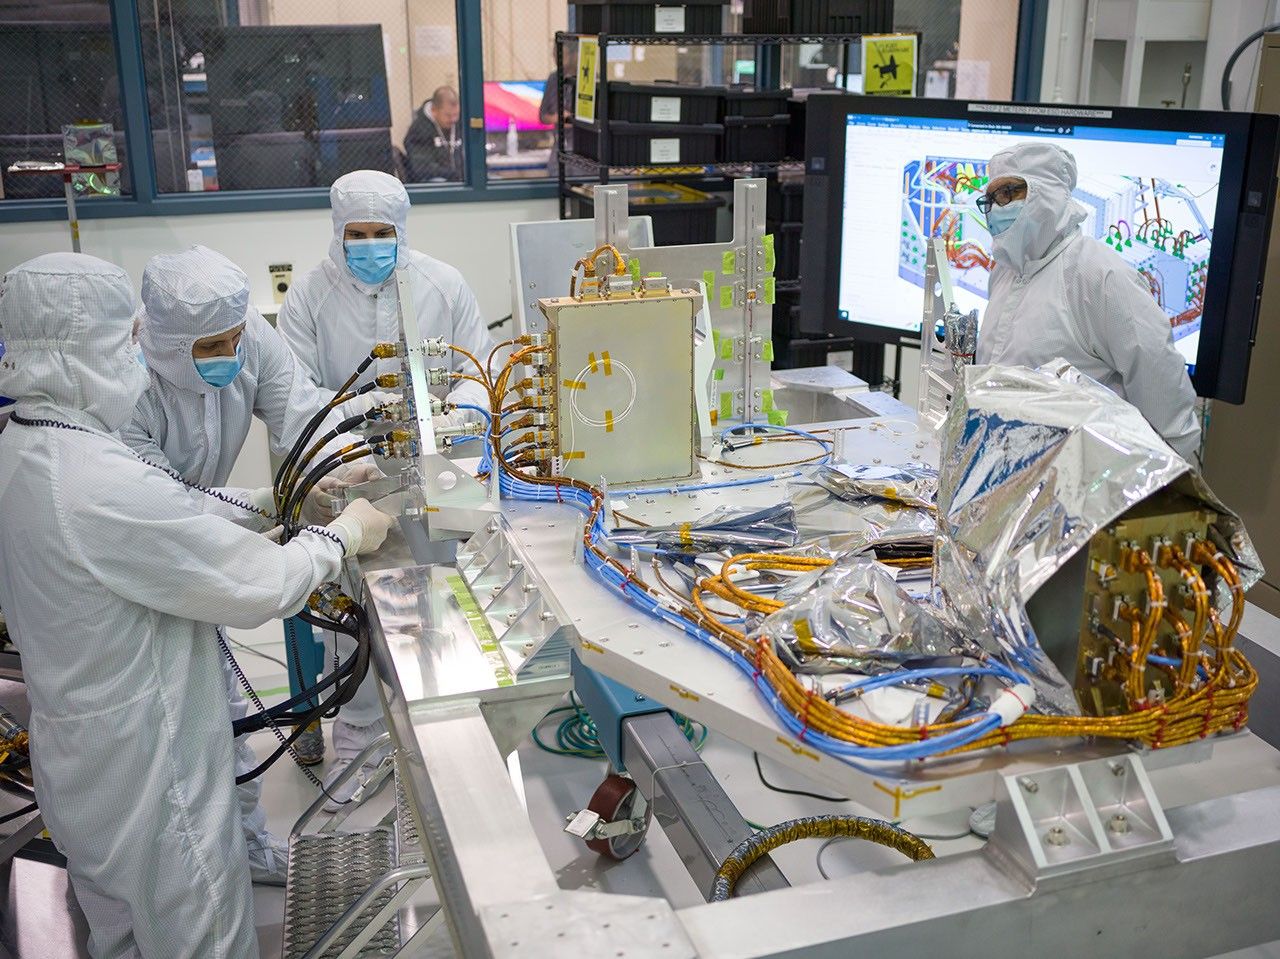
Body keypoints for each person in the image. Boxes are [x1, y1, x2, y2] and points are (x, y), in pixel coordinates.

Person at [0, 252, 395, 958]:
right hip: (154, 769)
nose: (134, 352)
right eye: (125, 339)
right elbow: (255, 582)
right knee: (201, 933)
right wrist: (340, 538)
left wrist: (281, 497)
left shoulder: (26, 448)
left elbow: (174, 514)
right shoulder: (96, 480)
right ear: (91, 350)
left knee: (121, 934)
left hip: (90, 755)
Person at [121, 245, 380, 880]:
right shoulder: (128, 387)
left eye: (236, 338)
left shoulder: (245, 335)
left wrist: (346, 464)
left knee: (229, 711)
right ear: (166, 342)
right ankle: (201, 867)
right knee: (189, 721)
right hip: (146, 553)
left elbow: (300, 410)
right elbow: (169, 512)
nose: (232, 353)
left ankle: (246, 849)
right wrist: (270, 509)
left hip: (190, 524)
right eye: (212, 346)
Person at [278, 168, 494, 805]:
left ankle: (442, 726)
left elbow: (476, 369)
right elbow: (294, 390)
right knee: (357, 606)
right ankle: (360, 737)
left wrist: (456, 422)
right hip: (348, 469)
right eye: (357, 234)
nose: (370, 246)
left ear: (403, 230)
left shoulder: (441, 284)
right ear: (336, 232)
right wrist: (347, 441)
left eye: (382, 233)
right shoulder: (311, 296)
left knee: (441, 594)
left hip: (436, 464)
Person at [975, 141, 1200, 460]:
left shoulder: (1100, 275)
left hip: (1080, 483)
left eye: (1010, 192)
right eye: (992, 198)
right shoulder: (1005, 273)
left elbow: (1164, 399)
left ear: (1048, 192)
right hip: (1003, 470)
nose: (999, 208)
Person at [404, 86, 462, 182]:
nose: (453, 120)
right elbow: (422, 168)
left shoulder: (460, 124)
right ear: (434, 110)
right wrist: (453, 174)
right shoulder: (419, 130)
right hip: (431, 182)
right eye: (448, 115)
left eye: (456, 115)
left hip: (457, 179)